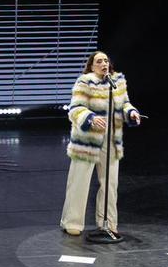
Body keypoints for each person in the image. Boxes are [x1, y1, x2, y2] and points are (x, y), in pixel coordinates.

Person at [59, 51, 141, 239]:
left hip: (110, 141)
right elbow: (75, 109)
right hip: (86, 141)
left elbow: (125, 104)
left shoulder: (117, 81)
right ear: (91, 66)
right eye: (99, 61)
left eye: (105, 60)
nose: (104, 63)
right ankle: (72, 222)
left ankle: (108, 223)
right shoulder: (84, 82)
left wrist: (131, 113)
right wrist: (90, 117)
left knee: (110, 184)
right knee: (79, 182)